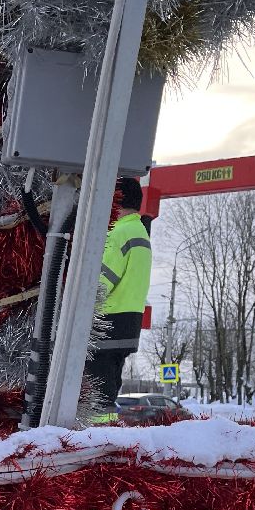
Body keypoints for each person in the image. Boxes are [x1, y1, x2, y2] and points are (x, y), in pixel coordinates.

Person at [85, 176, 153, 420]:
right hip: (129, 321)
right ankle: (107, 431)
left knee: (95, 389)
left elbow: (100, 283)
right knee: (109, 388)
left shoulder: (119, 233)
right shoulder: (139, 232)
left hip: (108, 320)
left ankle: (96, 437)